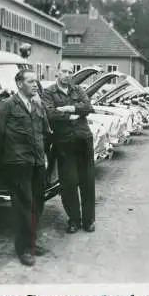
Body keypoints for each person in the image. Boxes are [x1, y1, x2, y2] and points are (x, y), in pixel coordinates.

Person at [0, 68, 51, 266]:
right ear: (19, 84)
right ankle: (23, 248)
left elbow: (45, 131)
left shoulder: (38, 105)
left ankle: (31, 242)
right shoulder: (6, 106)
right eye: (31, 81)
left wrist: (44, 154)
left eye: (36, 81)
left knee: (37, 203)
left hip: (37, 162)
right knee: (24, 206)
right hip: (17, 163)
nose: (35, 84)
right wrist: (1, 164)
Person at [41, 60, 96, 234]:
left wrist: (68, 107)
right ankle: (74, 220)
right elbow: (49, 113)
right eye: (64, 71)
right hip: (64, 143)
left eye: (70, 71)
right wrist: (71, 115)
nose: (67, 74)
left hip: (83, 140)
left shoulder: (78, 89)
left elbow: (88, 107)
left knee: (87, 181)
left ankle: (89, 221)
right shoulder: (49, 92)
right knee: (68, 183)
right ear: (57, 72)